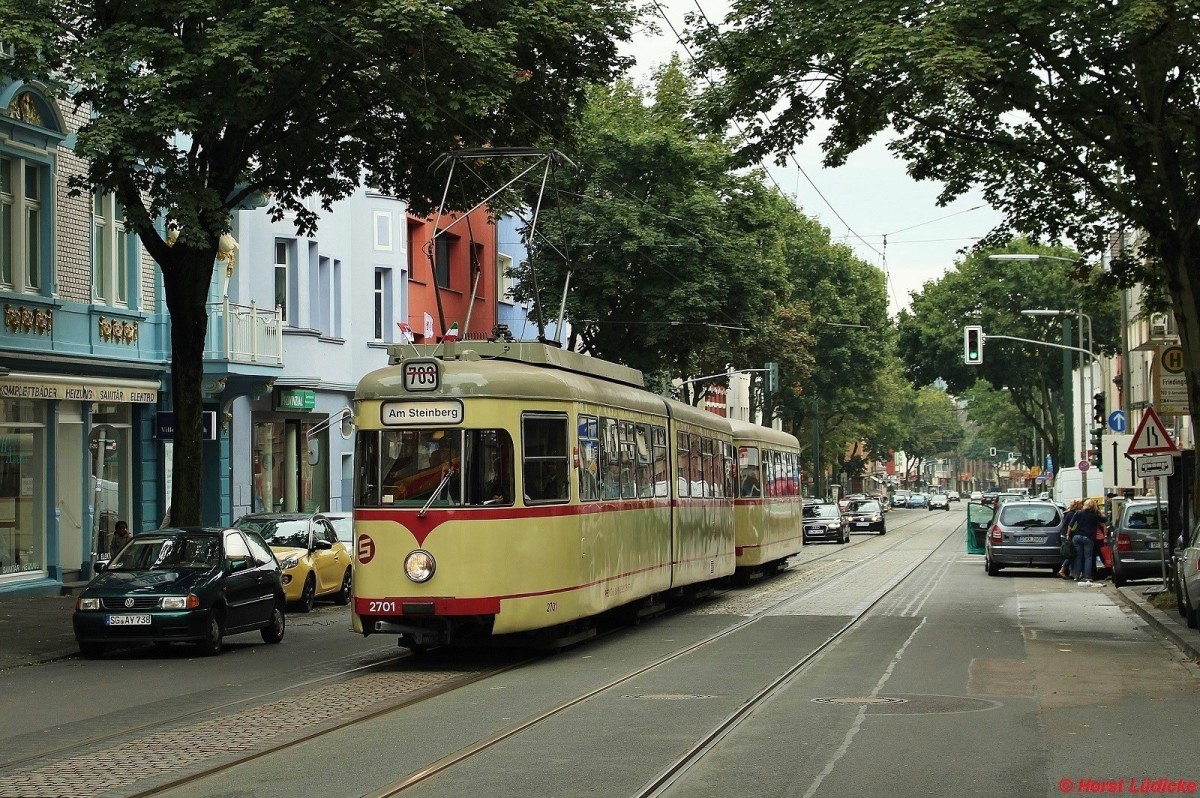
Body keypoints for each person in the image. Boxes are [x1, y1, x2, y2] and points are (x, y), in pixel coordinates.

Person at [1071, 498, 1105, 584]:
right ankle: (1087, 577)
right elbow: (1105, 520)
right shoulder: (1094, 515)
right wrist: (1098, 512)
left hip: (1077, 536)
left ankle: (1076, 576)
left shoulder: (1078, 513)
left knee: (1078, 557)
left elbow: (1071, 524)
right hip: (1089, 538)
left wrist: (1068, 535)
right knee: (1088, 558)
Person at [1059, 499, 1083, 579]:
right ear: (1078, 505)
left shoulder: (1068, 513)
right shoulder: (1073, 514)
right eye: (1081, 505)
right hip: (1067, 535)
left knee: (1071, 553)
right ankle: (1062, 570)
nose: (1082, 506)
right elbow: (1073, 526)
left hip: (1064, 534)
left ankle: (1071, 572)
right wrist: (1069, 535)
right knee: (1071, 554)